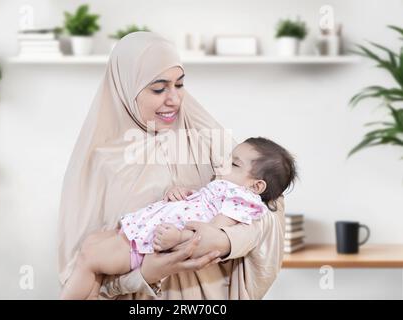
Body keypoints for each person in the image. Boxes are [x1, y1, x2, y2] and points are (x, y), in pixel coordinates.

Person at [57, 31, 287, 300]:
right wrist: (146, 274)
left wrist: (224, 241)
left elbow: (268, 206)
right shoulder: (101, 161)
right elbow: (82, 272)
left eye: (179, 85)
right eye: (158, 88)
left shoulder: (205, 135)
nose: (174, 99)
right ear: (126, 87)